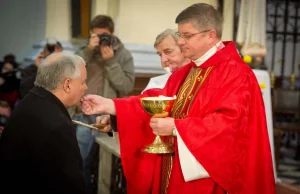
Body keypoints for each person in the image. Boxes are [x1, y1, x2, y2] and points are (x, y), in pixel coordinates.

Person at [81, 3, 275, 194]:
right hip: (175, 172)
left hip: (207, 180)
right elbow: (159, 101)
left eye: (187, 36)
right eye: (180, 35)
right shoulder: (190, 70)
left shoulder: (236, 73)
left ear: (210, 35)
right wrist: (111, 105)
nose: (180, 41)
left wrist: (176, 127)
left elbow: (229, 127)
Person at [0, 52, 88, 194]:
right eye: (83, 81)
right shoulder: (58, 125)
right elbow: (71, 186)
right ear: (67, 84)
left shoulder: (29, 100)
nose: (86, 87)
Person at [74, 14, 135, 193]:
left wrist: (111, 62)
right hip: (83, 116)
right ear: (91, 35)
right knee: (80, 163)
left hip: (107, 120)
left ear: (112, 33)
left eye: (104, 35)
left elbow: (125, 87)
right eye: (97, 35)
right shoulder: (83, 51)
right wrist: (87, 52)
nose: (101, 39)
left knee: (105, 166)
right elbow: (69, 72)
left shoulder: (122, 55)